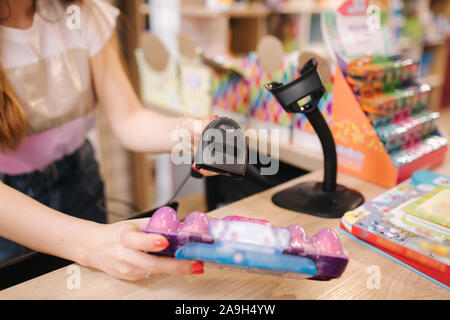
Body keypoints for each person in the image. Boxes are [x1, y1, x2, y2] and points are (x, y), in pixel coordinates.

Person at [0, 0, 207, 280]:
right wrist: (90, 243)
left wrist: (193, 133)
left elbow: (128, 118)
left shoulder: (85, 13)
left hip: (78, 179)